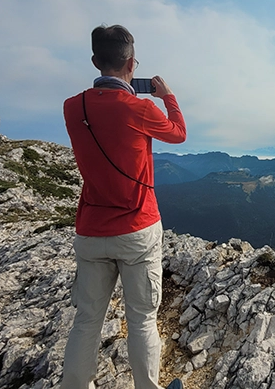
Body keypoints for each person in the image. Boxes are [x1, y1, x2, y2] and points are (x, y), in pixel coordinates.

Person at [62, 24, 187, 389]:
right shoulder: (140, 108)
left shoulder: (72, 107)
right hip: (137, 229)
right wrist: (168, 96)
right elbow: (179, 134)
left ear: (95, 61)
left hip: (91, 230)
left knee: (87, 320)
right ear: (132, 63)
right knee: (142, 319)